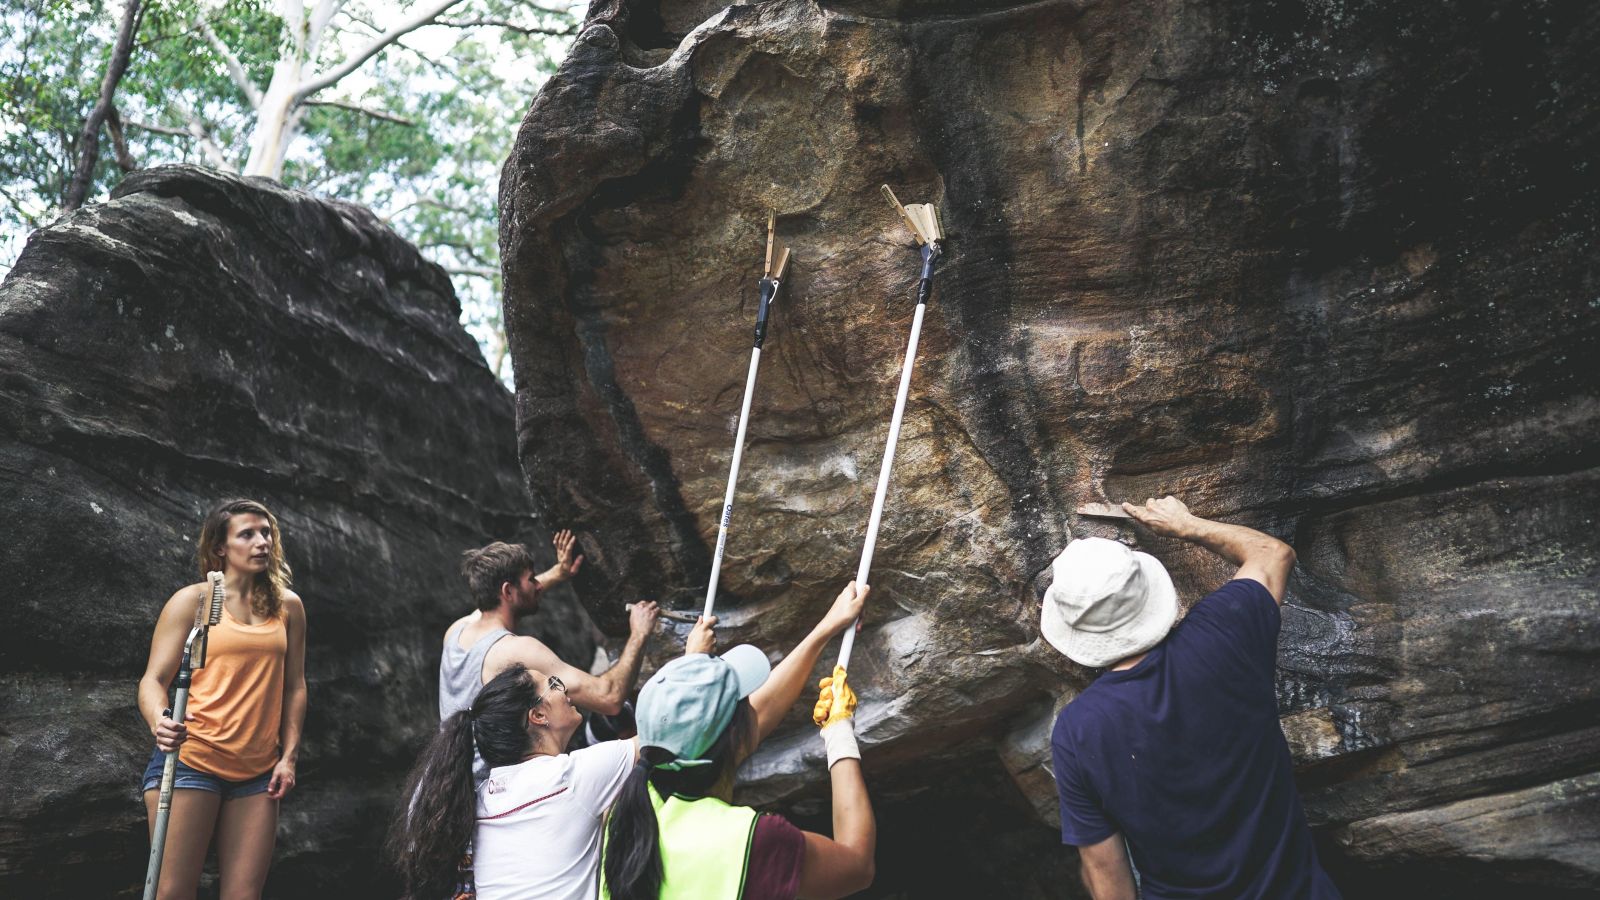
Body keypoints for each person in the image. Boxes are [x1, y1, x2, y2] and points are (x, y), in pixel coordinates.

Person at [1043, 496, 1341, 899]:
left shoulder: (1078, 731)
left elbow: (1106, 877)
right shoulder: (1224, 634)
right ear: (1148, 593)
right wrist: (1185, 524)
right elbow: (1273, 553)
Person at [390, 618, 718, 900]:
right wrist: (693, 657)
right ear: (538, 715)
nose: (565, 691)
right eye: (555, 684)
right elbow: (666, 730)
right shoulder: (567, 778)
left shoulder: (482, 798)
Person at [601, 581, 875, 900]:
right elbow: (857, 866)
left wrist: (825, 629)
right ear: (735, 740)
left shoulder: (630, 812)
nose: (752, 705)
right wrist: (839, 732)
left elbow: (764, 709)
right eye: (744, 701)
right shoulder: (749, 841)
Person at [137, 498, 308, 900]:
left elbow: (296, 685)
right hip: (191, 762)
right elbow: (152, 680)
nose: (261, 542)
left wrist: (289, 757)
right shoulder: (192, 601)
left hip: (258, 773)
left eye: (266, 532)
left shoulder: (289, 606)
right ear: (220, 547)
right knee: (173, 893)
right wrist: (159, 720)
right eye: (247, 534)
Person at [441, 532, 660, 727]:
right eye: (531, 579)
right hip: (495, 773)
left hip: (454, 771)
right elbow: (608, 697)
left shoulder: (456, 631)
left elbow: (500, 599)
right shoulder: (513, 650)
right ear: (508, 591)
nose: (538, 585)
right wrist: (640, 632)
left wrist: (558, 572)